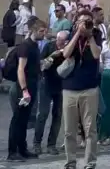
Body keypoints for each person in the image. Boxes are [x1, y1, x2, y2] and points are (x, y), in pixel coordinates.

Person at [61, 10, 102, 169]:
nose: (85, 24)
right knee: (69, 130)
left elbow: (97, 54)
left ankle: (90, 162)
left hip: (89, 88)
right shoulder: (72, 33)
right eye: (82, 21)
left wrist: (90, 35)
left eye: (88, 21)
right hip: (70, 88)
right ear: (76, 22)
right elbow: (66, 53)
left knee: (90, 129)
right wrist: (78, 33)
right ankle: (70, 162)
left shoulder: (96, 34)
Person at [6, 16, 43, 162]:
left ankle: (22, 149)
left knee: (24, 120)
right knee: (17, 120)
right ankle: (12, 152)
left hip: (31, 85)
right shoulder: (25, 46)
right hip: (23, 88)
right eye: (41, 31)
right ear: (33, 30)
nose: (44, 33)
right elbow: (20, 69)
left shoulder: (34, 46)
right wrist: (25, 90)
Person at [34, 28, 68, 156]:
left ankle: (51, 144)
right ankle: (37, 143)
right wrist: (53, 56)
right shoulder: (49, 46)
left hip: (60, 85)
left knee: (57, 115)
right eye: (59, 40)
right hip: (46, 83)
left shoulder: (68, 49)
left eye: (63, 41)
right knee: (42, 114)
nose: (61, 43)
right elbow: (42, 65)